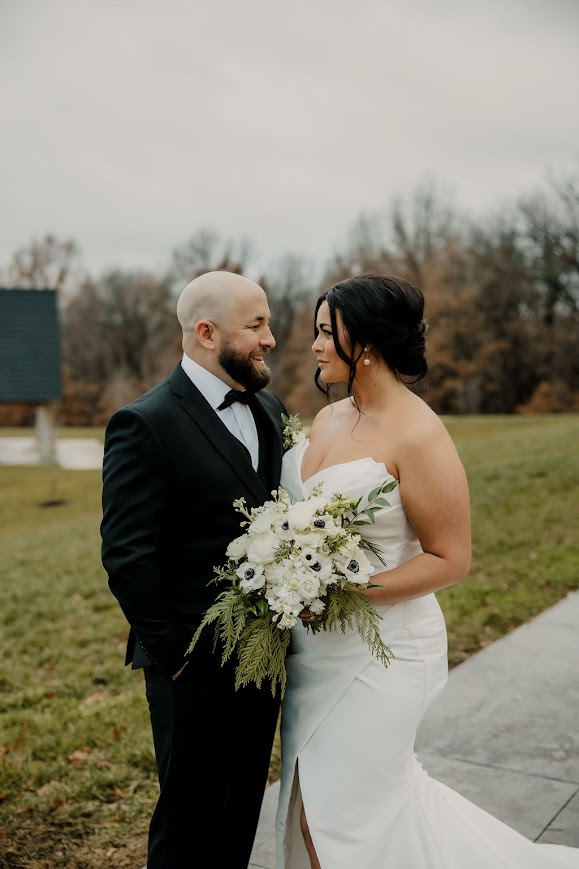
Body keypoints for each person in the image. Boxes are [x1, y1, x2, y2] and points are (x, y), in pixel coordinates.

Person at [275, 274, 579, 868]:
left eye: (323, 333)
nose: (312, 345)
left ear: (364, 343)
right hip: (314, 652)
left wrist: (346, 591)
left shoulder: (420, 434)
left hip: (382, 653)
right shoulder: (333, 417)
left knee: (346, 820)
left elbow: (451, 557)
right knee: (310, 807)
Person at [101, 270, 287, 868]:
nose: (271, 338)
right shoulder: (145, 423)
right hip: (189, 667)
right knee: (189, 828)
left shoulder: (270, 409)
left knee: (239, 819)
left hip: (264, 658)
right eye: (256, 324)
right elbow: (127, 553)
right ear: (206, 332)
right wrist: (176, 652)